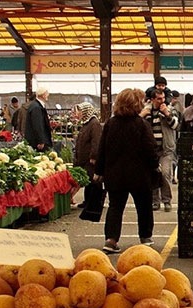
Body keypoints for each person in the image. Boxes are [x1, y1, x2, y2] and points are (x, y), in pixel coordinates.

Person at [94, 88, 157, 253]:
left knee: (115, 207)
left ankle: (111, 240)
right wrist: (154, 166)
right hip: (139, 175)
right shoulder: (142, 124)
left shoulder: (110, 124)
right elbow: (150, 150)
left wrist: (99, 171)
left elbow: (102, 149)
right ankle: (145, 238)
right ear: (136, 104)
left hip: (115, 174)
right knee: (143, 207)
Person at [141, 88, 179, 212]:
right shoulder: (146, 111)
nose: (162, 101)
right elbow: (137, 126)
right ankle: (155, 201)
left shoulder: (170, 110)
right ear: (152, 100)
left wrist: (167, 115)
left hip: (166, 148)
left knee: (165, 173)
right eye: (159, 99)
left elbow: (176, 126)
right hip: (150, 150)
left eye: (163, 98)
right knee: (153, 174)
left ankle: (167, 200)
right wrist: (143, 115)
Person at [72, 102, 102, 210]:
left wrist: (94, 156)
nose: (78, 113)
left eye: (80, 111)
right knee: (88, 181)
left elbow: (96, 141)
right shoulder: (86, 123)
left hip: (90, 160)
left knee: (94, 181)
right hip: (85, 159)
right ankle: (88, 201)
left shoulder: (94, 124)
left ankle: (95, 202)